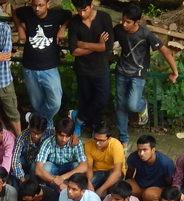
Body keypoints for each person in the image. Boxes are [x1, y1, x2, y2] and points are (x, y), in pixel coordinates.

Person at [113, 5, 178, 146]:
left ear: (137, 22)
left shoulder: (145, 34)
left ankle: (142, 105)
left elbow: (165, 51)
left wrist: (175, 71)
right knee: (121, 106)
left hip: (138, 74)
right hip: (121, 71)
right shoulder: (118, 29)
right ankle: (123, 139)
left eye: (128, 22)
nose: (124, 24)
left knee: (132, 105)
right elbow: (106, 42)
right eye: (123, 20)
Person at [68, 0, 114, 133]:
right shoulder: (74, 22)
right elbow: (74, 51)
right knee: (88, 100)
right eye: (79, 11)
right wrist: (97, 45)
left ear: (91, 5)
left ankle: (78, 118)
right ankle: (95, 126)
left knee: (102, 100)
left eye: (85, 10)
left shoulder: (104, 18)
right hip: (82, 69)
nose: (82, 14)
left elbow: (107, 46)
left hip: (101, 68)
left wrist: (84, 44)